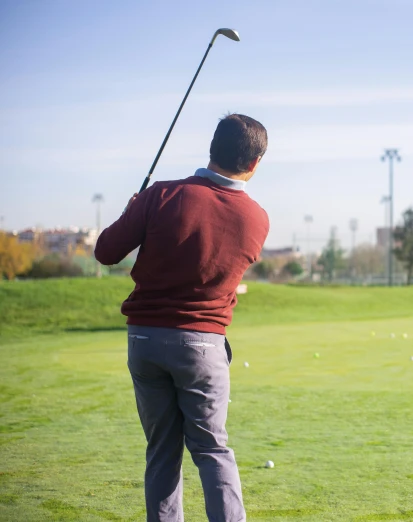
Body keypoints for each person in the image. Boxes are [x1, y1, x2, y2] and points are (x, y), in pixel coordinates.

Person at [95, 114, 270, 522]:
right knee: (212, 451)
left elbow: (106, 252)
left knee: (162, 452)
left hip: (144, 341)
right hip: (202, 345)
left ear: (211, 147)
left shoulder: (160, 196)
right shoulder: (257, 218)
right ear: (255, 163)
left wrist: (132, 212)